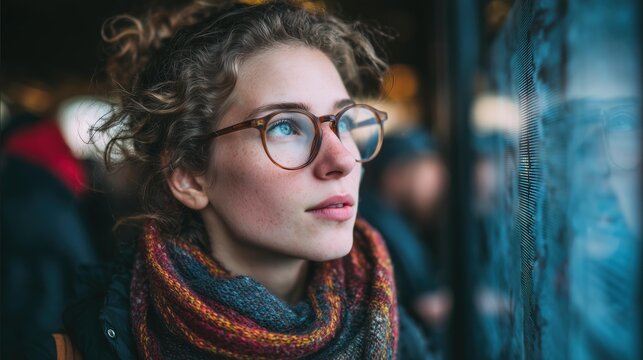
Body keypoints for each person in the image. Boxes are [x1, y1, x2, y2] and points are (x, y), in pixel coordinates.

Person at [29, 1, 431, 359]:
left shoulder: (401, 338)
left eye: (343, 121)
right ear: (189, 178)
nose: (343, 158)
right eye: (285, 127)